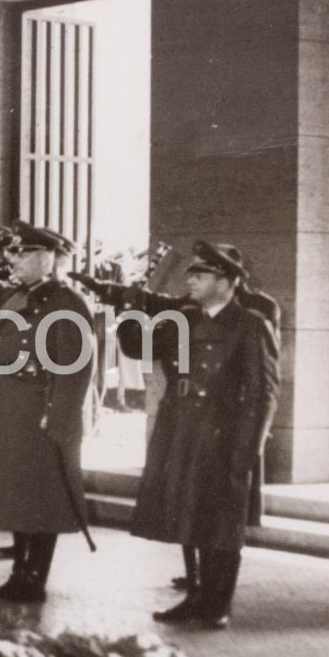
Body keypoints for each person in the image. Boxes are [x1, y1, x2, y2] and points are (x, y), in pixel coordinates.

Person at [127, 242, 282, 629]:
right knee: (187, 513)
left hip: (221, 434)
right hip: (180, 428)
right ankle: (195, 595)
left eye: (201, 274)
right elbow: (139, 348)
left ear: (228, 281)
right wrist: (130, 308)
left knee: (221, 523)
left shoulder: (250, 325)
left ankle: (217, 604)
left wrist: (248, 451)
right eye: (191, 273)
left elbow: (264, 395)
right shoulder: (185, 320)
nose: (191, 280)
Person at [0, 223, 95, 604]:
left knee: (42, 497)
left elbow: (75, 368)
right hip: (11, 409)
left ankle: (34, 578)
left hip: (40, 410)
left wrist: (59, 416)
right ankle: (19, 573)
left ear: (48, 258)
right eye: (14, 253)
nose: (15, 261)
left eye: (24, 254)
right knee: (16, 495)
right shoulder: (14, 297)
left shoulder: (67, 303)